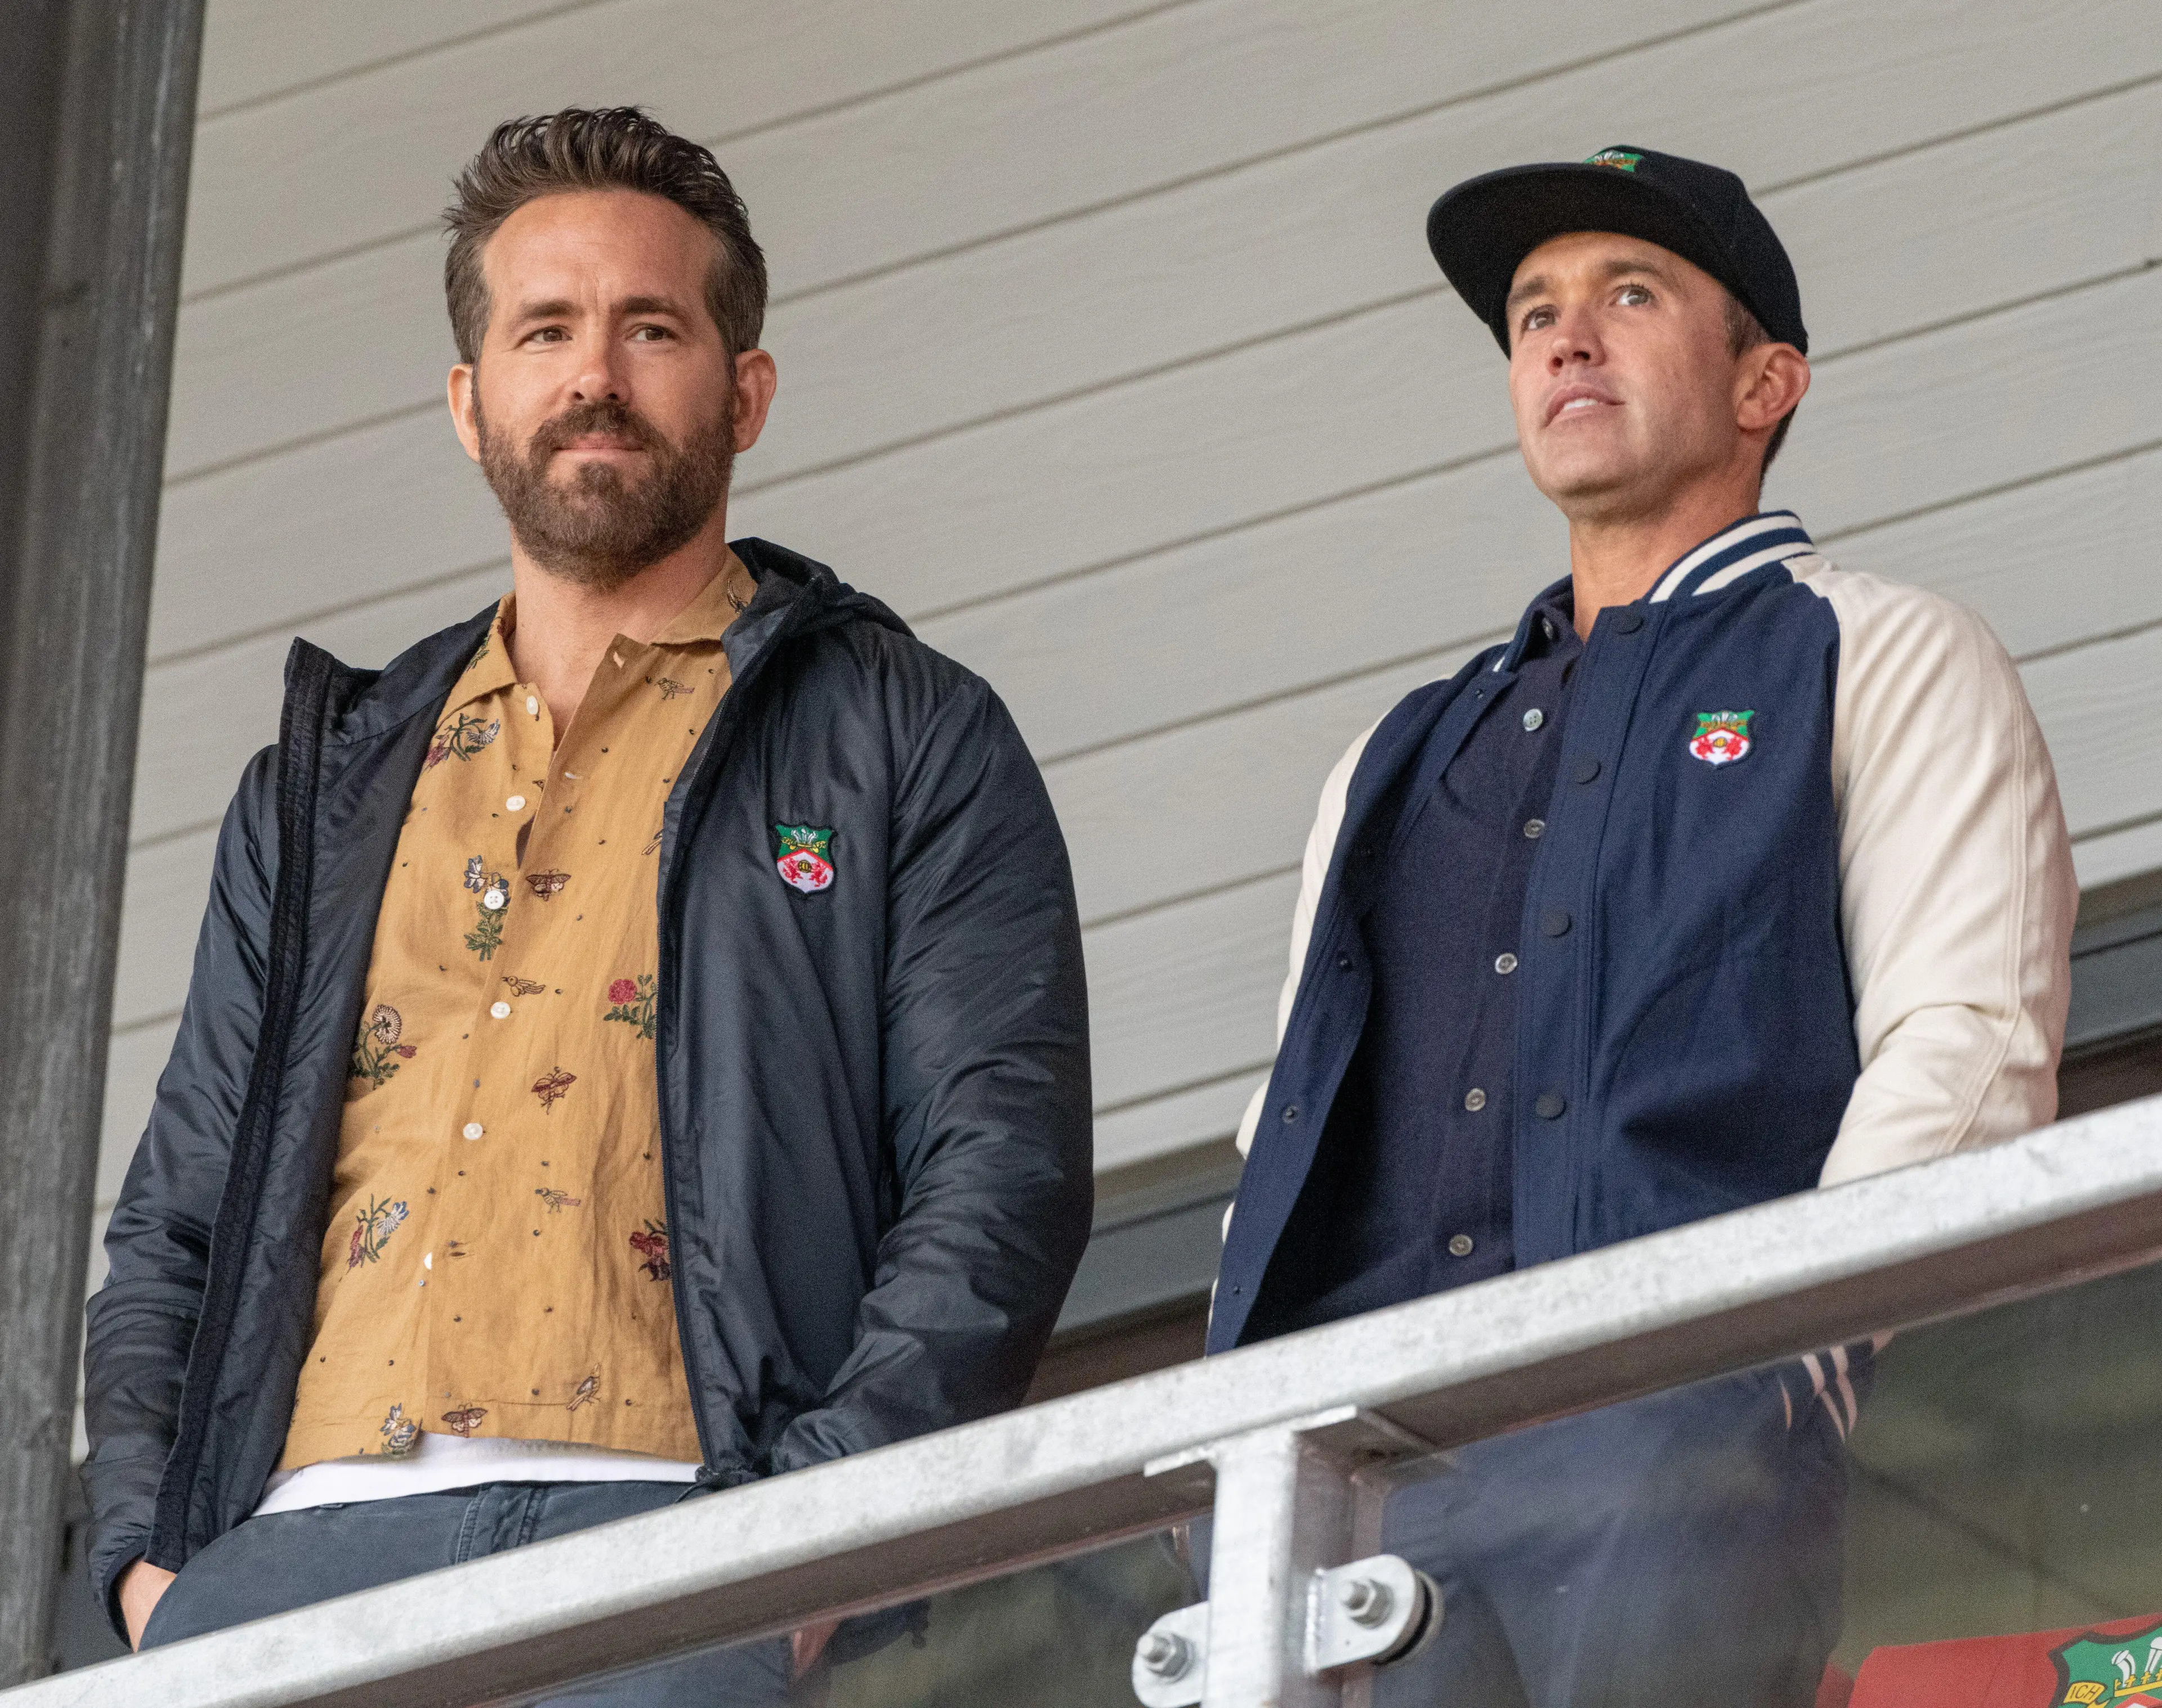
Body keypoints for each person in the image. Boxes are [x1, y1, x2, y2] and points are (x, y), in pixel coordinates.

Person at [81, 107, 1093, 1700]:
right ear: (468, 399)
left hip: (680, 1537)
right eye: (544, 329)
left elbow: (1001, 1166)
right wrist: (152, 1561)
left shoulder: (904, 729)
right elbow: (176, 1219)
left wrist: (816, 1525)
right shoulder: (327, 778)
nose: (593, 375)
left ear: (744, 391)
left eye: (651, 328)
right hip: (289, 1563)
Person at [1208, 146, 2075, 1702]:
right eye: (1534, 312)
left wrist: (1794, 1379)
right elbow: (1282, 1135)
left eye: (1628, 294)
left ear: (1766, 383)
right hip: (1371, 1501)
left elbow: (1966, 1048)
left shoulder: (1877, 650)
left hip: (1694, 1455)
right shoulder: (1394, 757)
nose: (1564, 337)